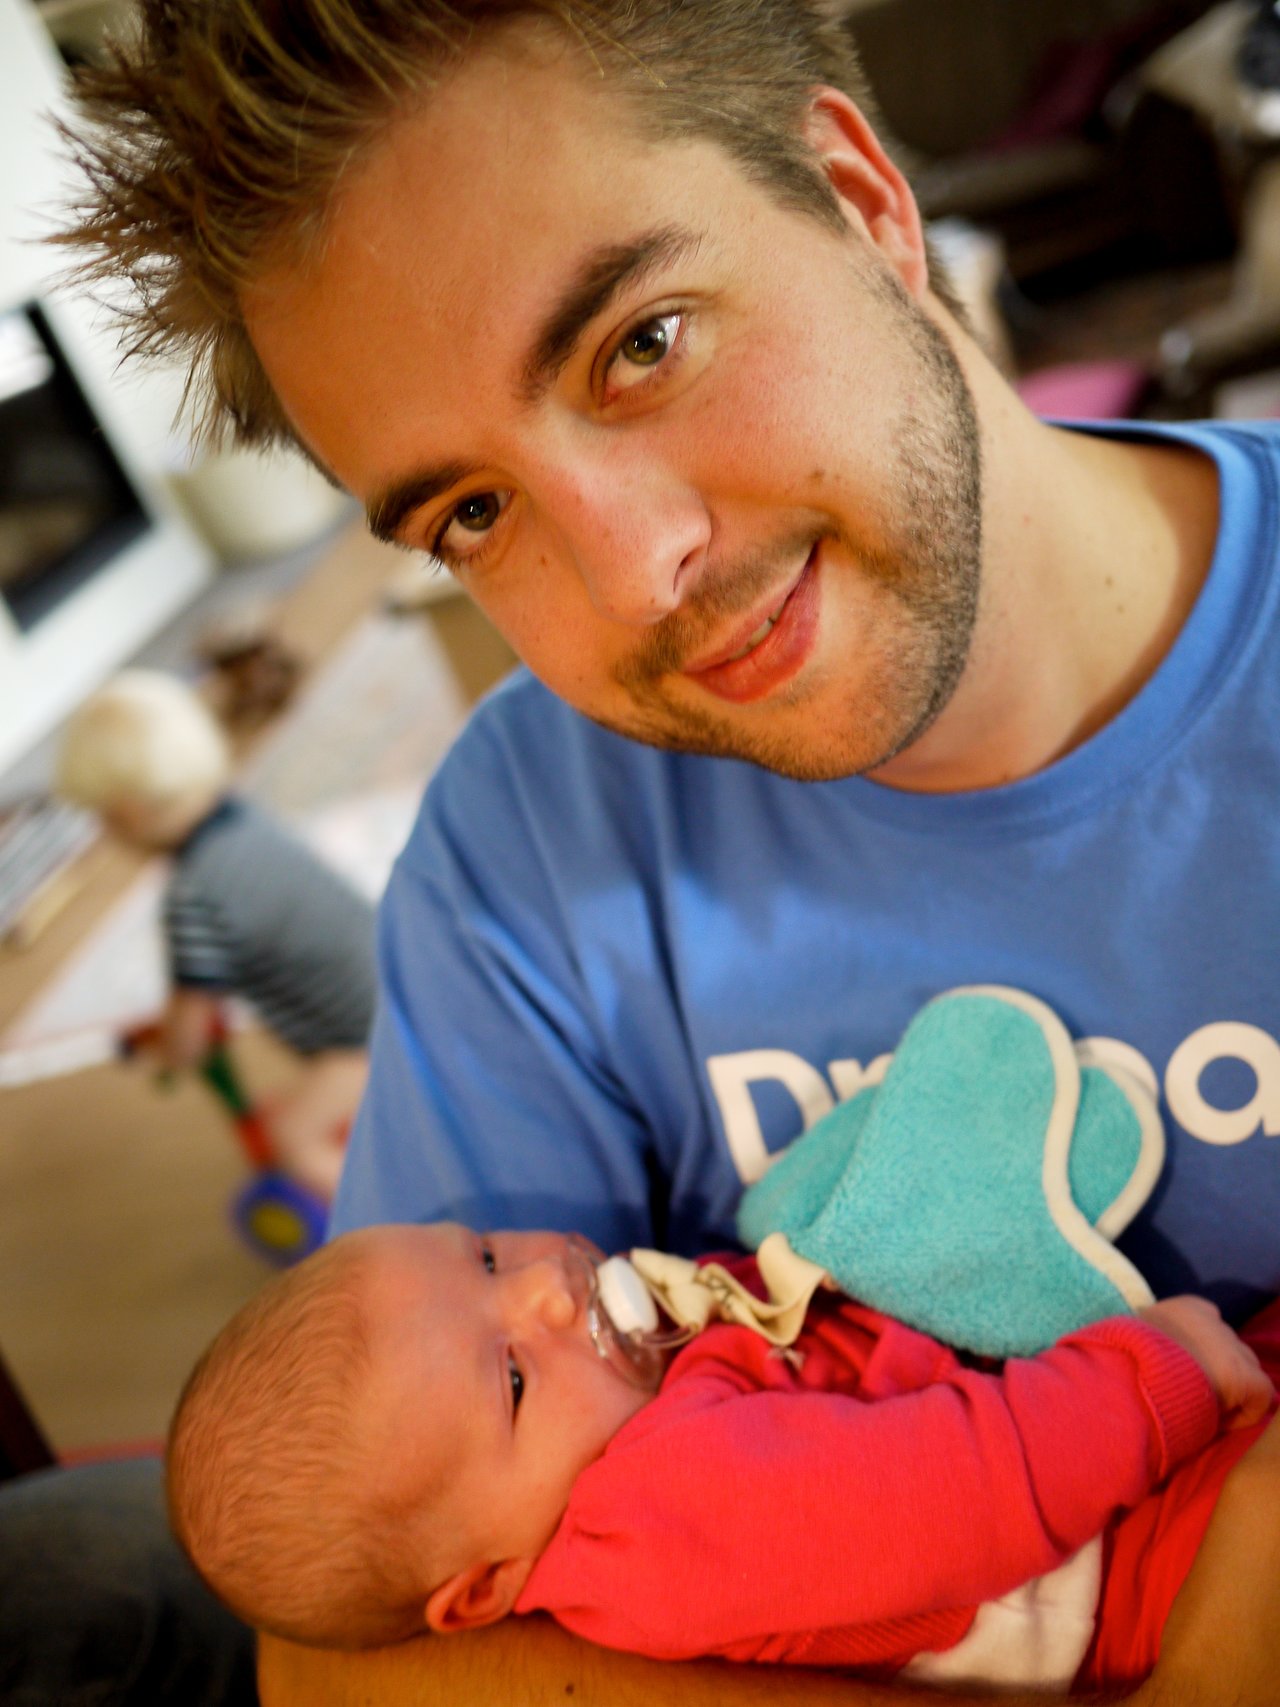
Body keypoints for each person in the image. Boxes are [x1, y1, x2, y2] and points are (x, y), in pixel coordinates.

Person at [11, 0, 1280, 1701]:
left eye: (642, 341)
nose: (636, 575)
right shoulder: (534, 836)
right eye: (472, 510)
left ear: (862, 199)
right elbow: (347, 1657)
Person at [165, 1221, 1276, 1695]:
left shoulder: (625, 1410)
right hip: (1147, 1554)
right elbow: (952, 1488)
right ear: (484, 1585)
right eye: (510, 1379)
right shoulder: (651, 1519)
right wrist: (1147, 1381)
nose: (546, 1288)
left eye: (485, 1252)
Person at [57, 668, 376, 1197]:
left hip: (366, 1041)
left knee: (290, 1134)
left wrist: (168, 1050)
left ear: (130, 811)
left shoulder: (194, 898)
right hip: (406, 975)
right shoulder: (246, 820)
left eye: (103, 818)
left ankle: (388, 1225)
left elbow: (187, 1035)